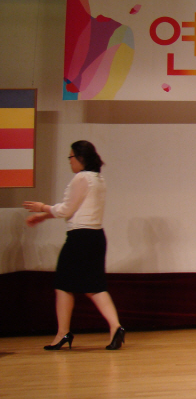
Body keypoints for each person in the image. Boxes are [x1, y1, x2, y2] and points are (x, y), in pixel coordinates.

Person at [23, 140, 125, 350]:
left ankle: (63, 333)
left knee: (63, 284)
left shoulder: (81, 178)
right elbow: (77, 209)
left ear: (80, 158)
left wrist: (42, 207)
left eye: (70, 157)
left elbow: (66, 210)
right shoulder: (98, 179)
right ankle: (116, 327)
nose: (69, 161)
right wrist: (43, 216)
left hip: (80, 238)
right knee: (95, 286)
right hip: (96, 237)